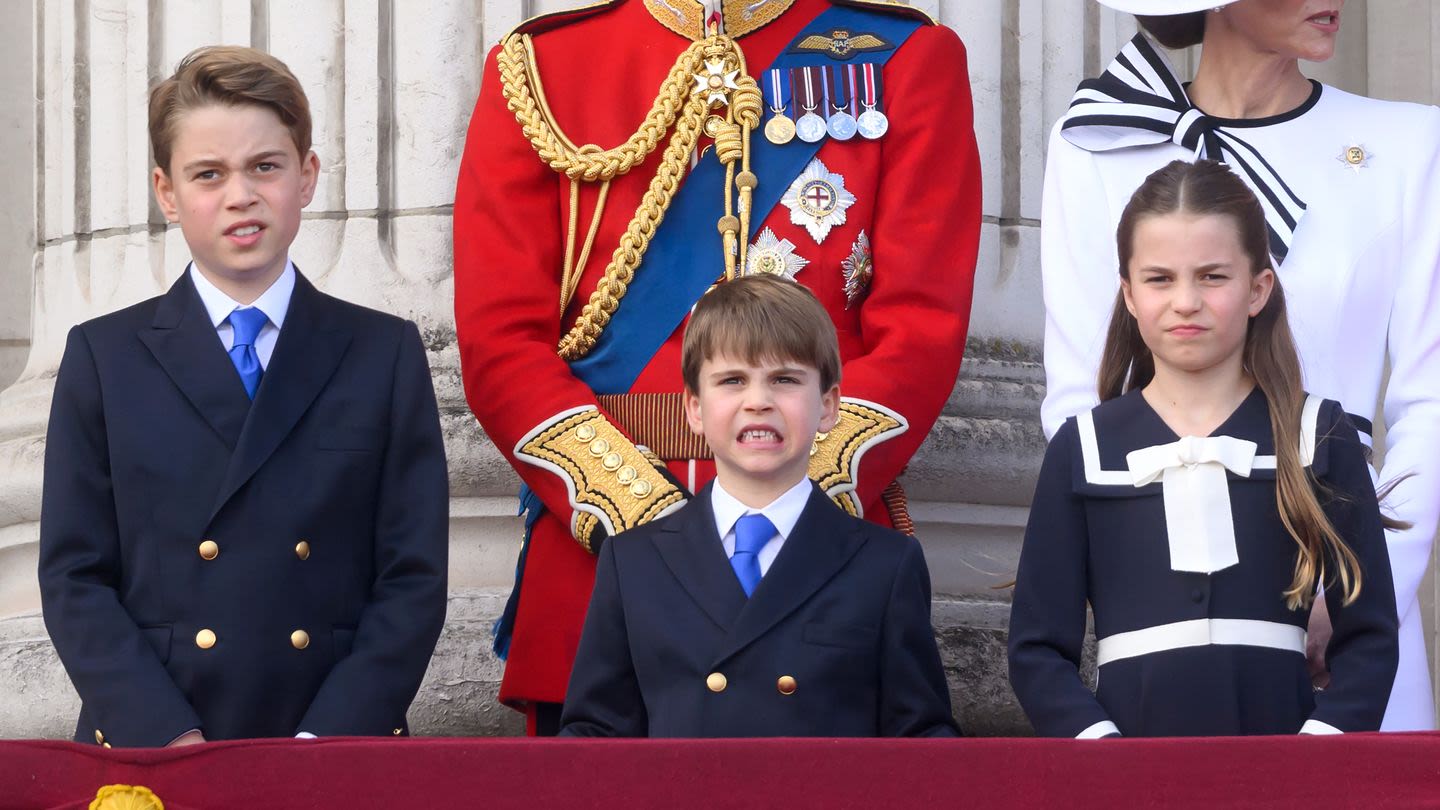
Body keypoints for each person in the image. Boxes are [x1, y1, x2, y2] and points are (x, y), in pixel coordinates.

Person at [453, 0, 981, 734]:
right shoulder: (540, 69)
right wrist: (650, 530)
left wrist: (793, 504)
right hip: (603, 557)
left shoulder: (904, 57)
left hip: (818, 559)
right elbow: (500, 340)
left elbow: (921, 329)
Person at [1039, 0, 1440, 731]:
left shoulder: (1411, 143)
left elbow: (1432, 396)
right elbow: (1077, 394)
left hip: (1350, 555)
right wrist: (1140, 588)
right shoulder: (1097, 139)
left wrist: (1359, 588)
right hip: (1166, 607)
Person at [37, 46, 449, 747]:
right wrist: (163, 736)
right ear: (167, 193)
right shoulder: (103, 358)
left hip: (331, 745)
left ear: (307, 176)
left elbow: (411, 577)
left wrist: (328, 743)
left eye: (265, 166)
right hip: (156, 747)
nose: (240, 195)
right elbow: (75, 577)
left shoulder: (383, 354)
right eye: (209, 174)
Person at [1010, 159, 1398, 738]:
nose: (1185, 301)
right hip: (1126, 775)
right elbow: (1037, 650)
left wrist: (1320, 750)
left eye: (1213, 277)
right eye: (1160, 279)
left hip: (1287, 771)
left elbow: (1368, 636)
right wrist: (1100, 750)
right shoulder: (1083, 446)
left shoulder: (1320, 435)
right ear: (1130, 294)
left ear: (1257, 288)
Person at [559, 274, 957, 737]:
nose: (758, 402)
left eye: (785, 380)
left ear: (828, 406)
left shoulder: (885, 565)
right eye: (732, 380)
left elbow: (923, 746)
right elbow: (593, 742)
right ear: (695, 409)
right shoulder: (633, 563)